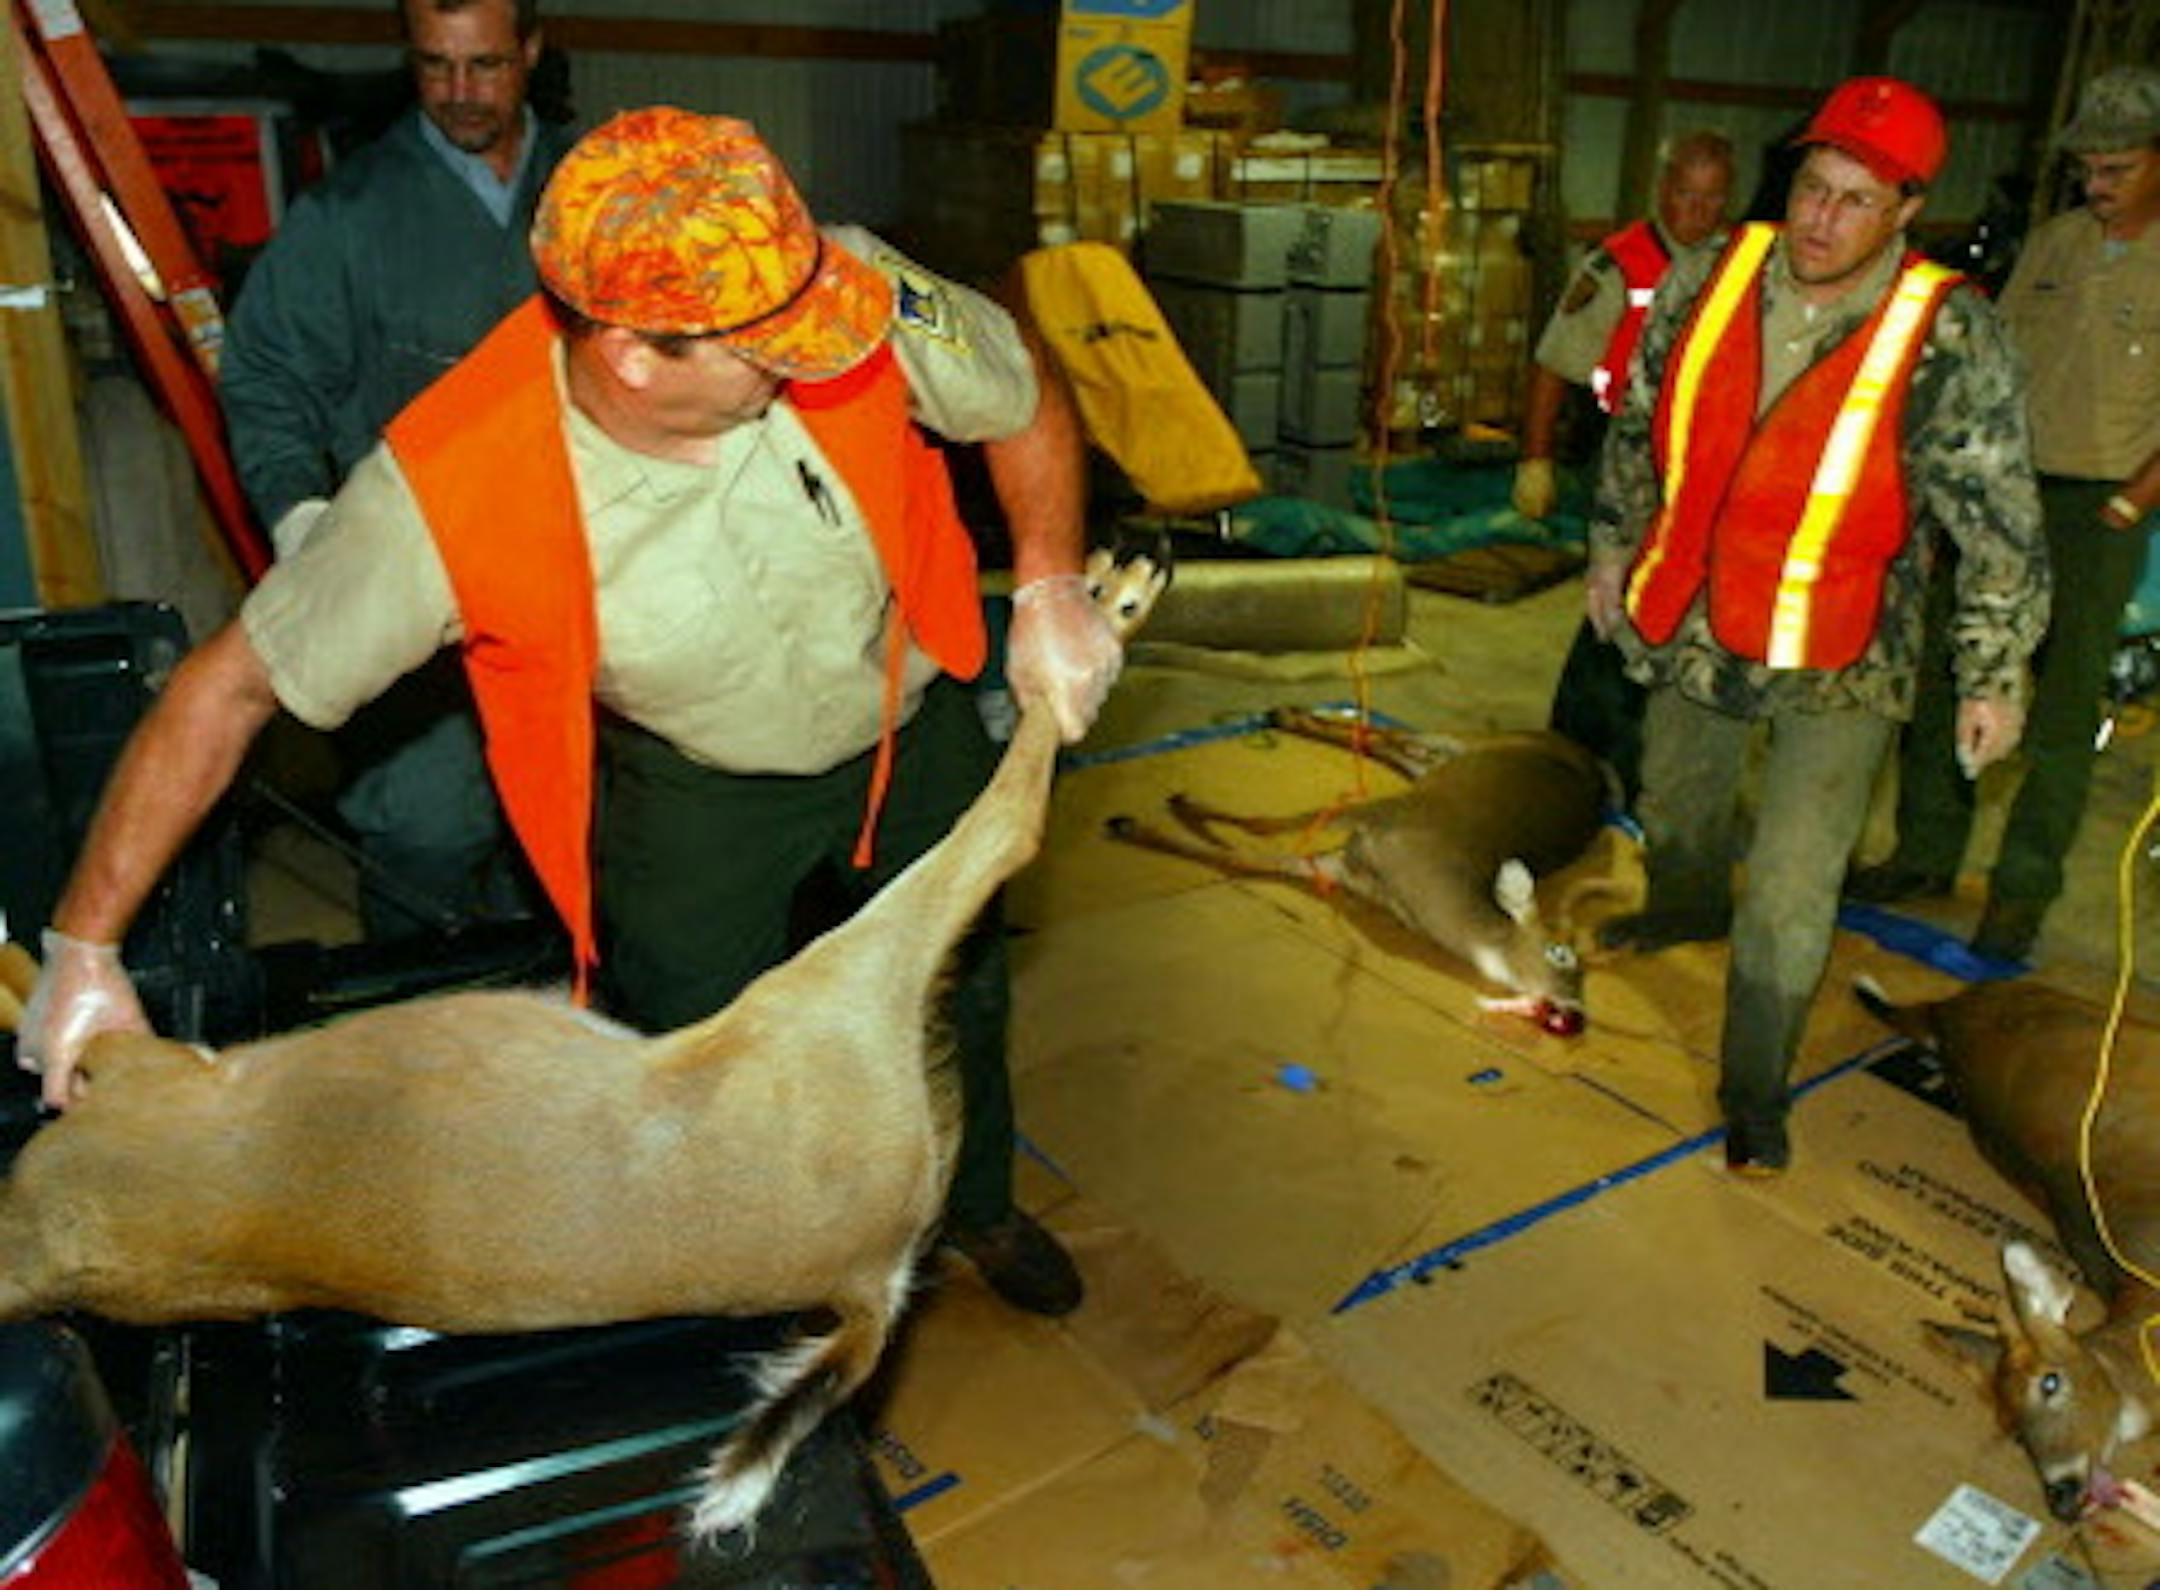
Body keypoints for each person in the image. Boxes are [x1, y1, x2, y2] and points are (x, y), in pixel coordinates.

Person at [20, 108, 1122, 1317]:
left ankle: (978, 1211)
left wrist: (1054, 583)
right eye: (769, 350)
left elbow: (1014, 388)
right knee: (697, 1078)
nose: (818, 353)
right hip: (694, 795)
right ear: (635, 354)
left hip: (911, 728)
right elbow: (226, 688)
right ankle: (768, 1286)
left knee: (957, 987)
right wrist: (84, 948)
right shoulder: (448, 496)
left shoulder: (830, 281)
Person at [1588, 78, 2049, 1174]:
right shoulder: (1711, 276)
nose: (1820, 218)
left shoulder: (1951, 334)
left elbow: (1999, 525)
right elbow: (1639, 426)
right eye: (1810, 185)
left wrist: (1994, 674)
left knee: (1795, 882)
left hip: (1843, 652)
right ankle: (1684, 908)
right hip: (1694, 612)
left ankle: (1754, 1087)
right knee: (1677, 800)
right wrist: (1611, 547)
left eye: (1854, 198)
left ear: (1905, 210)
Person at [218, 0, 575, 941]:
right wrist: (300, 516)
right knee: (426, 827)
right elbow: (266, 376)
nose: (460, 94)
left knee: (579, 824)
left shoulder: (595, 189)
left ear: (532, 52)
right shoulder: (349, 216)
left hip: (588, 568)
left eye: (487, 66)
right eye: (434, 66)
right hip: (424, 577)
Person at [1848, 65, 2160, 962]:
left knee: (2062, 716)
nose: (2095, 187)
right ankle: (1924, 852)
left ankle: (2022, 891)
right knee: (1950, 676)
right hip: (2000, 495)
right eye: (2088, 170)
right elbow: (1994, 359)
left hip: (2098, 509)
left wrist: (2133, 499)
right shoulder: (2056, 242)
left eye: (2117, 170)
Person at [1516, 131, 1737, 802]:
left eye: (1709, 198)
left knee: (1673, 611)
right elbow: (1556, 365)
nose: (1693, 211)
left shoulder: (1741, 267)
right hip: (1627, 460)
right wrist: (1536, 459)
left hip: (1704, 465)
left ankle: (1628, 750)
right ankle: (1592, 749)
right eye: (1681, 193)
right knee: (1618, 607)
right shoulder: (1617, 267)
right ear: (1660, 188)